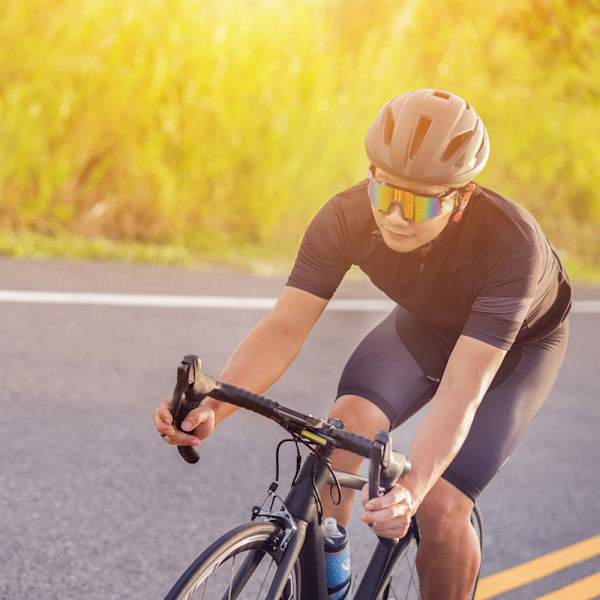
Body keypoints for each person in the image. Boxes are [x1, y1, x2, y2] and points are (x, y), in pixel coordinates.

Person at [153, 89, 572, 599]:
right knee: (343, 429)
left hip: (514, 352)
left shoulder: (512, 249)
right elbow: (284, 328)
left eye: (418, 200)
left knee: (439, 505)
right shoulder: (346, 216)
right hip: (424, 324)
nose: (395, 214)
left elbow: (463, 388)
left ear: (460, 199)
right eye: (384, 189)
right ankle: (331, 576)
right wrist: (213, 407)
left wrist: (411, 492)